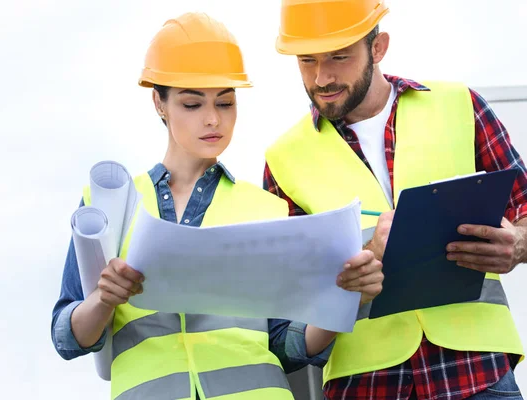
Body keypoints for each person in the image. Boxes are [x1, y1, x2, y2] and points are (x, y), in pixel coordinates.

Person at [51, 12, 384, 400]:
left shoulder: (267, 208)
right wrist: (104, 299)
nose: (213, 120)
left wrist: (349, 298)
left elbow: (287, 345)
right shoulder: (109, 205)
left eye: (225, 103)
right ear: (159, 102)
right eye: (193, 105)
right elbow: (67, 337)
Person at [264, 1, 527, 399]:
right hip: (368, 384)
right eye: (307, 60)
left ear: (378, 47)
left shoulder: (459, 106)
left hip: (476, 374)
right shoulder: (285, 160)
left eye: (339, 56)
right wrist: (357, 272)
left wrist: (522, 243)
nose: (322, 77)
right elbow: (288, 322)